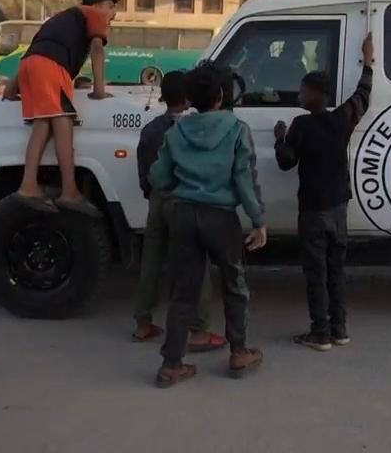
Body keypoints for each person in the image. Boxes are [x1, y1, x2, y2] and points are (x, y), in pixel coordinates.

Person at [149, 62, 267, 388]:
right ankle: (239, 352)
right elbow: (244, 179)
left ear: (191, 97)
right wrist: (258, 221)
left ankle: (172, 364)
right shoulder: (236, 129)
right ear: (220, 95)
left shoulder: (176, 131)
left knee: (183, 292)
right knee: (234, 285)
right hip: (221, 218)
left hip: (184, 215)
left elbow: (158, 177)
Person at [274, 33, 374, 351]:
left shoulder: (301, 126)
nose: (300, 95)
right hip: (338, 208)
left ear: (314, 94)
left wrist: (280, 137)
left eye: (304, 91)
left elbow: (285, 163)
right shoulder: (341, 119)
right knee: (336, 271)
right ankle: (340, 329)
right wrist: (368, 60)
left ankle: (320, 333)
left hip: (314, 211)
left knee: (315, 273)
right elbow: (363, 95)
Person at [131, 70, 224, 354]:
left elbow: (143, 172)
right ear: (188, 99)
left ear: (162, 97)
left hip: (157, 201)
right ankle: (200, 328)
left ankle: (143, 322)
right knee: (198, 264)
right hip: (183, 202)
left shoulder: (150, 130)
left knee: (151, 262)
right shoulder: (193, 129)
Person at [3, 0, 118, 214]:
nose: (113, 15)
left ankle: (29, 185)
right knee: (64, 122)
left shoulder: (60, 19)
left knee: (43, 124)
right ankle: (69, 192)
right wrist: (99, 91)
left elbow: (34, 52)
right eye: (111, 7)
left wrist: (11, 88)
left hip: (31, 66)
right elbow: (97, 49)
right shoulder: (93, 14)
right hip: (50, 68)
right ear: (99, 5)